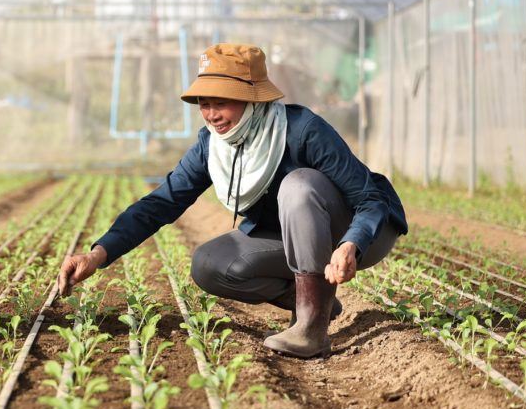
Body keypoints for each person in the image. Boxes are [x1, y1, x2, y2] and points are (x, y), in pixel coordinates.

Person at [58, 43, 406, 359]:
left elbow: (370, 198)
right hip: (296, 241)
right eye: (204, 104)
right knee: (210, 264)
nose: (211, 114)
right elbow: (161, 203)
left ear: (254, 99)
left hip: (360, 234)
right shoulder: (213, 146)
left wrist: (351, 244)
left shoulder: (302, 129)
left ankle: (312, 330)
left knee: (298, 184)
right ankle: (316, 302)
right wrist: (98, 253)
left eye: (221, 102)